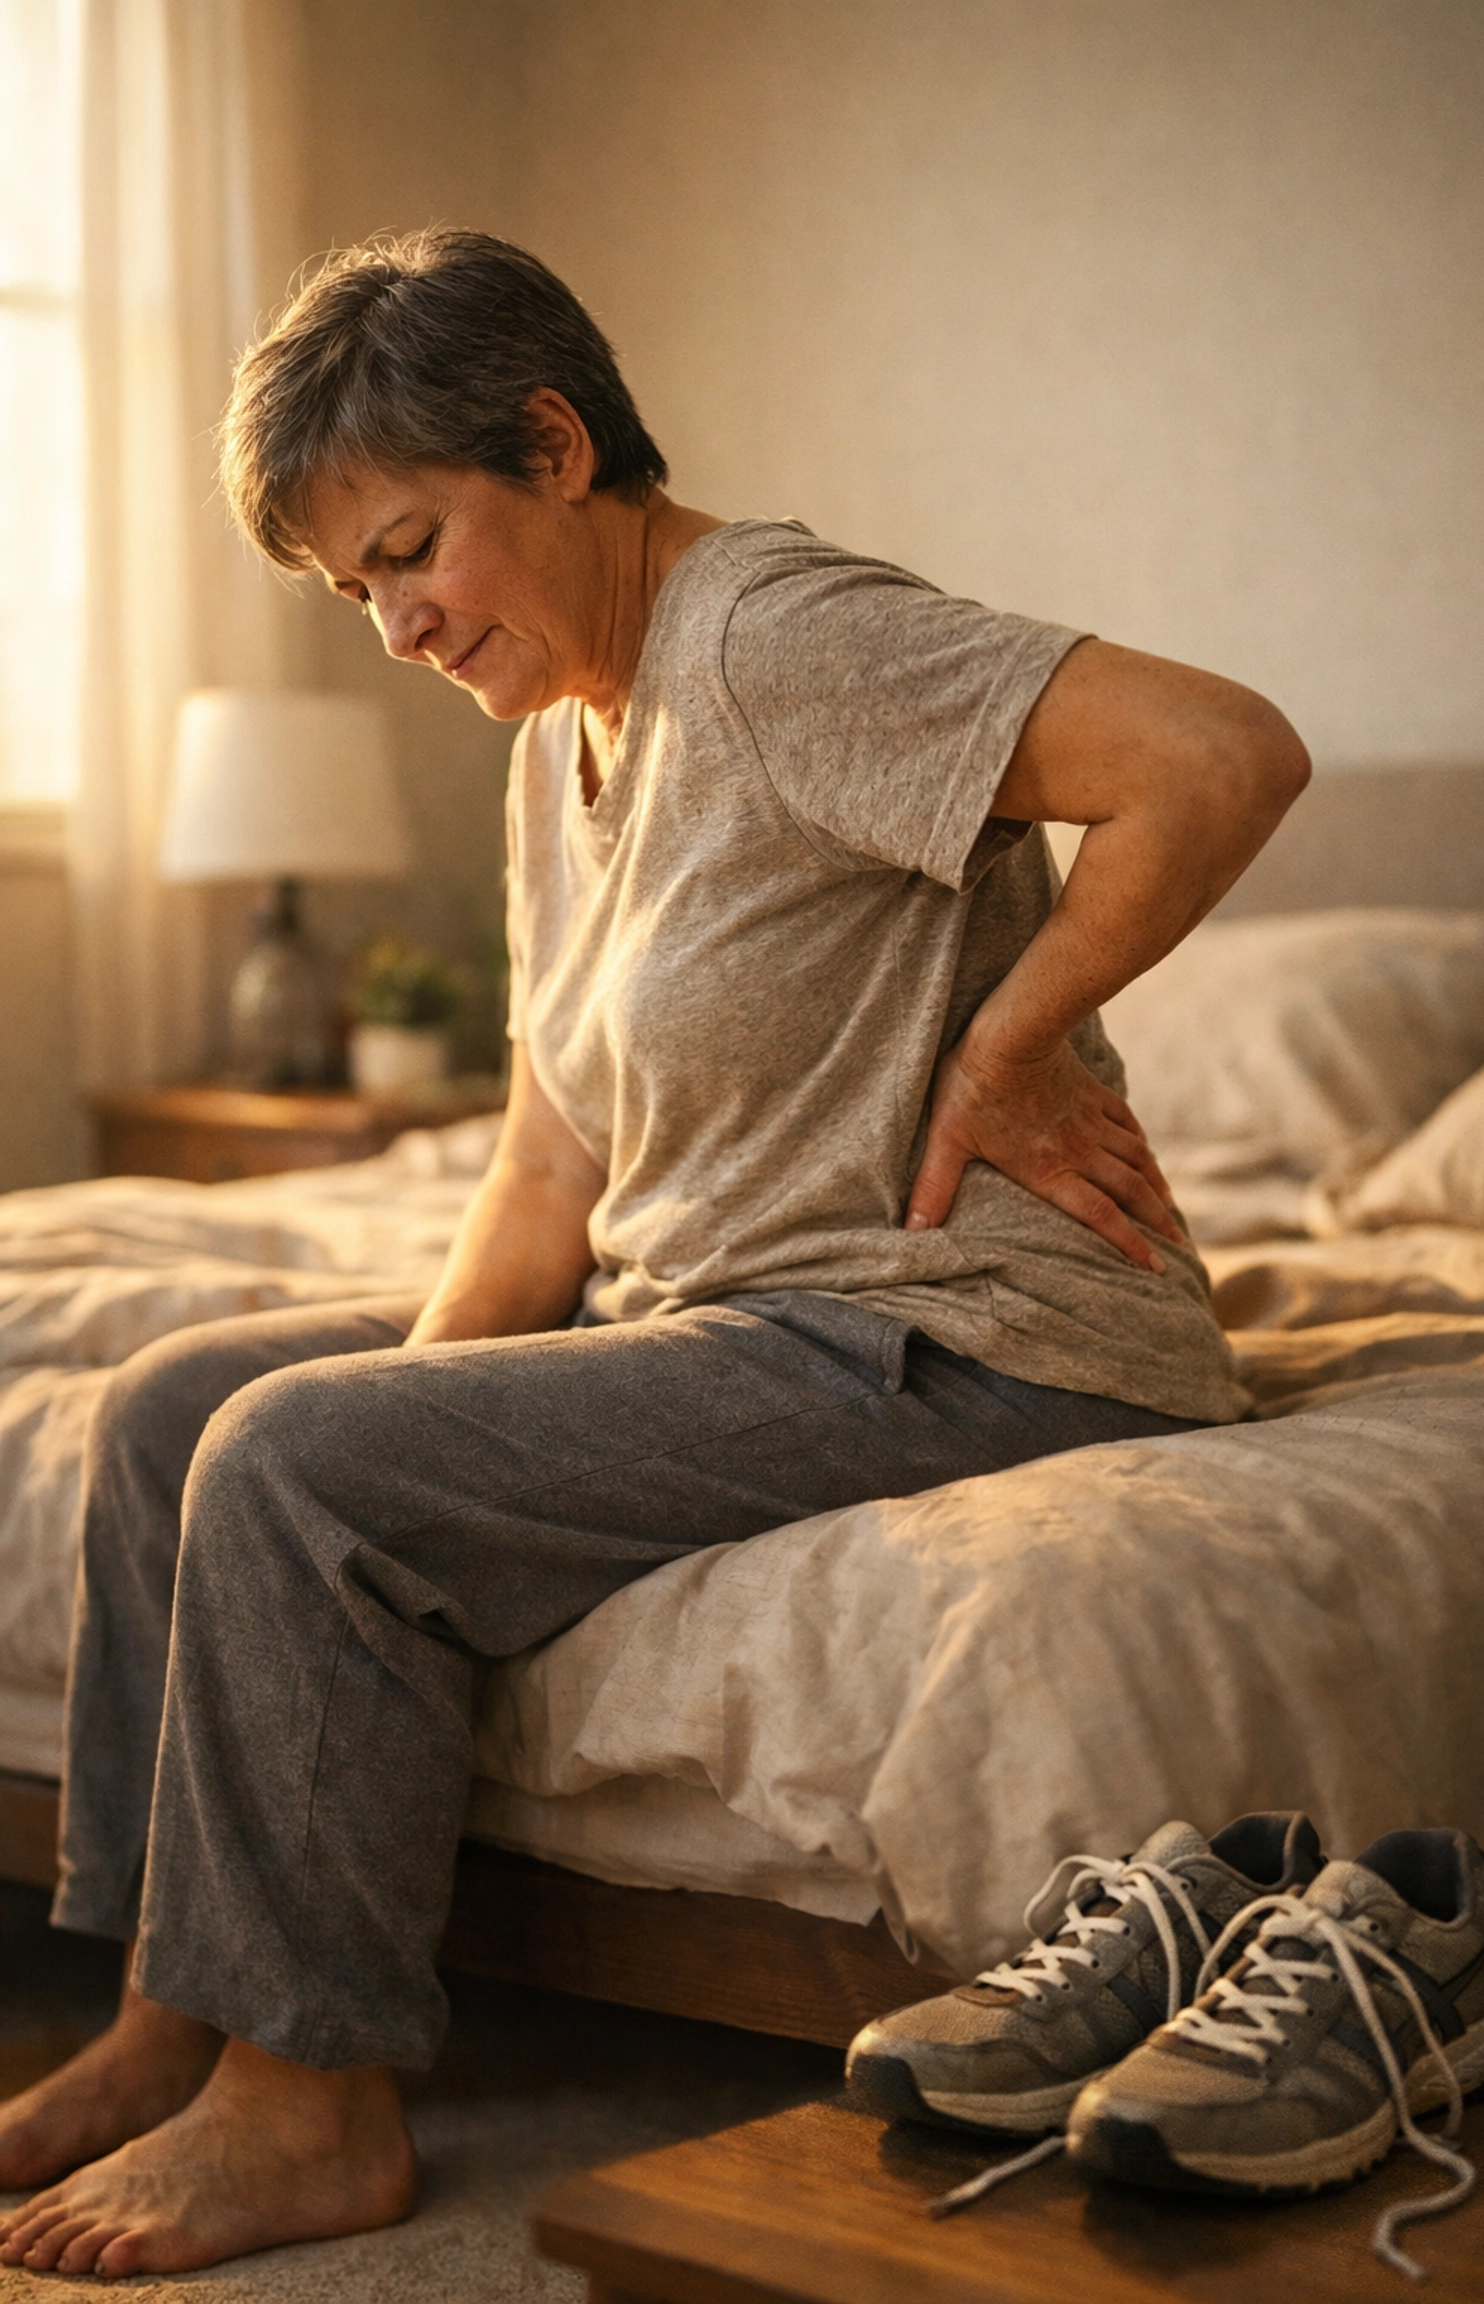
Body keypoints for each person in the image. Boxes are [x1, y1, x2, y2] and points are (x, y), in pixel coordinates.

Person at [0, 229, 1309, 2280]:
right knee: (200, 1416)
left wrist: (1014, 1032)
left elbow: (1219, 759)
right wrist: (389, 1414)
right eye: (362, 593)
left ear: (557, 439)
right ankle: (183, 2010)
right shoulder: (556, 746)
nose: (401, 626)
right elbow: (546, 1169)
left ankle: (309, 2104)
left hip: (963, 1326)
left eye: (416, 549)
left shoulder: (781, 640)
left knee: (295, 1464)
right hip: (719, 1303)